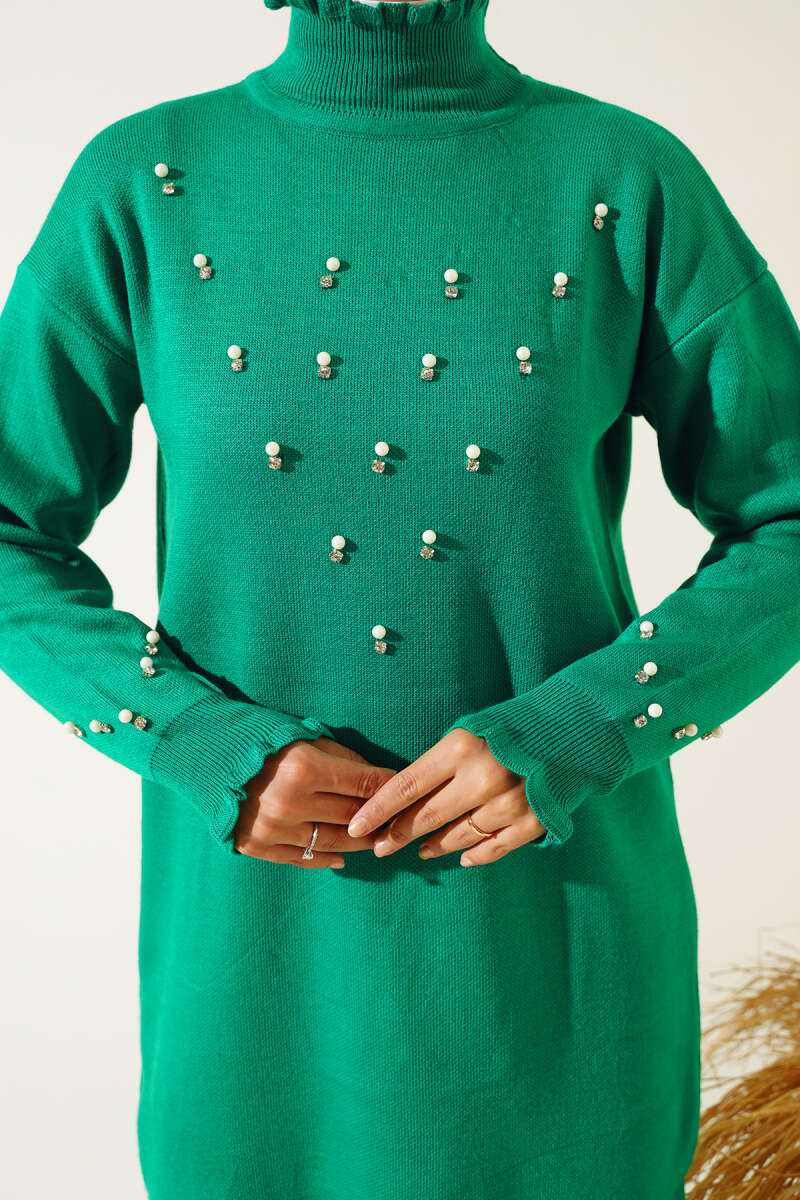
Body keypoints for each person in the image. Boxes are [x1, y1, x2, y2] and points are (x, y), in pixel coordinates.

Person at [1, 0, 798, 1196]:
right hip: (257, 977)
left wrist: (580, 728)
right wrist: (196, 739)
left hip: (558, 964)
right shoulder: (147, 181)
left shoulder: (622, 178)